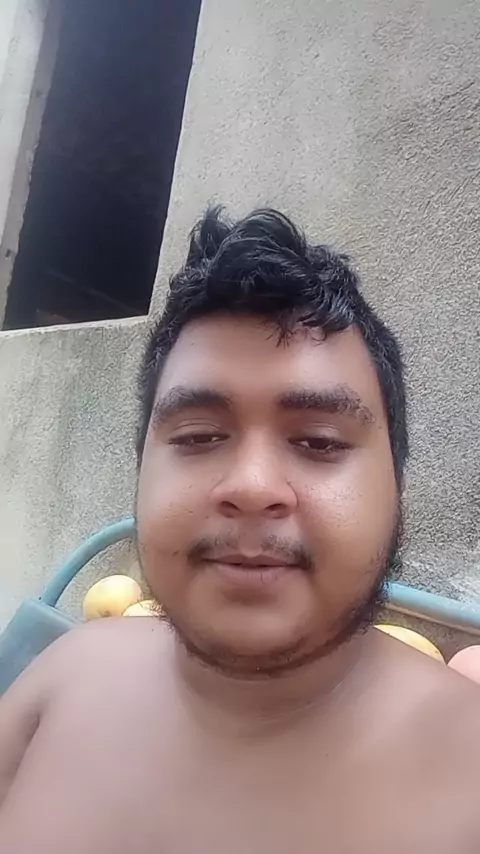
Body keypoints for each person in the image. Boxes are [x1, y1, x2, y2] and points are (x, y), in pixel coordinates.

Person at [0, 207, 479, 853]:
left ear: (396, 485)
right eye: (199, 437)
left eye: (318, 441)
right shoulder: (62, 680)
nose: (251, 486)